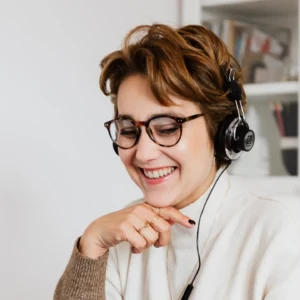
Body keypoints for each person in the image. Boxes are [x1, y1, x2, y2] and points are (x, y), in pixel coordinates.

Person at [54, 24, 300, 300]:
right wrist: (92, 244)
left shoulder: (281, 231)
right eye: (128, 129)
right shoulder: (120, 238)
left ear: (220, 129)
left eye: (168, 127)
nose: (143, 153)